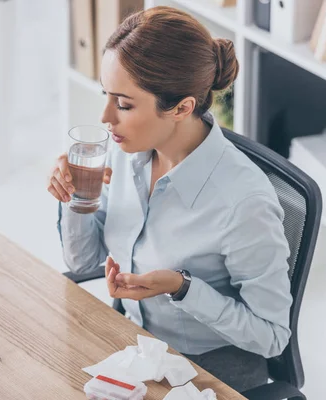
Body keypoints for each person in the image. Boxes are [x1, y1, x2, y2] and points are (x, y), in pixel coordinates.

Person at [48, 6, 293, 393]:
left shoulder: (244, 203)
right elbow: (81, 261)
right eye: (106, 96)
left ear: (182, 108)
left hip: (210, 372)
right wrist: (78, 195)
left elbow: (271, 337)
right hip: (136, 347)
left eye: (124, 104)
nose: (105, 117)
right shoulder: (123, 151)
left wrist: (182, 288)